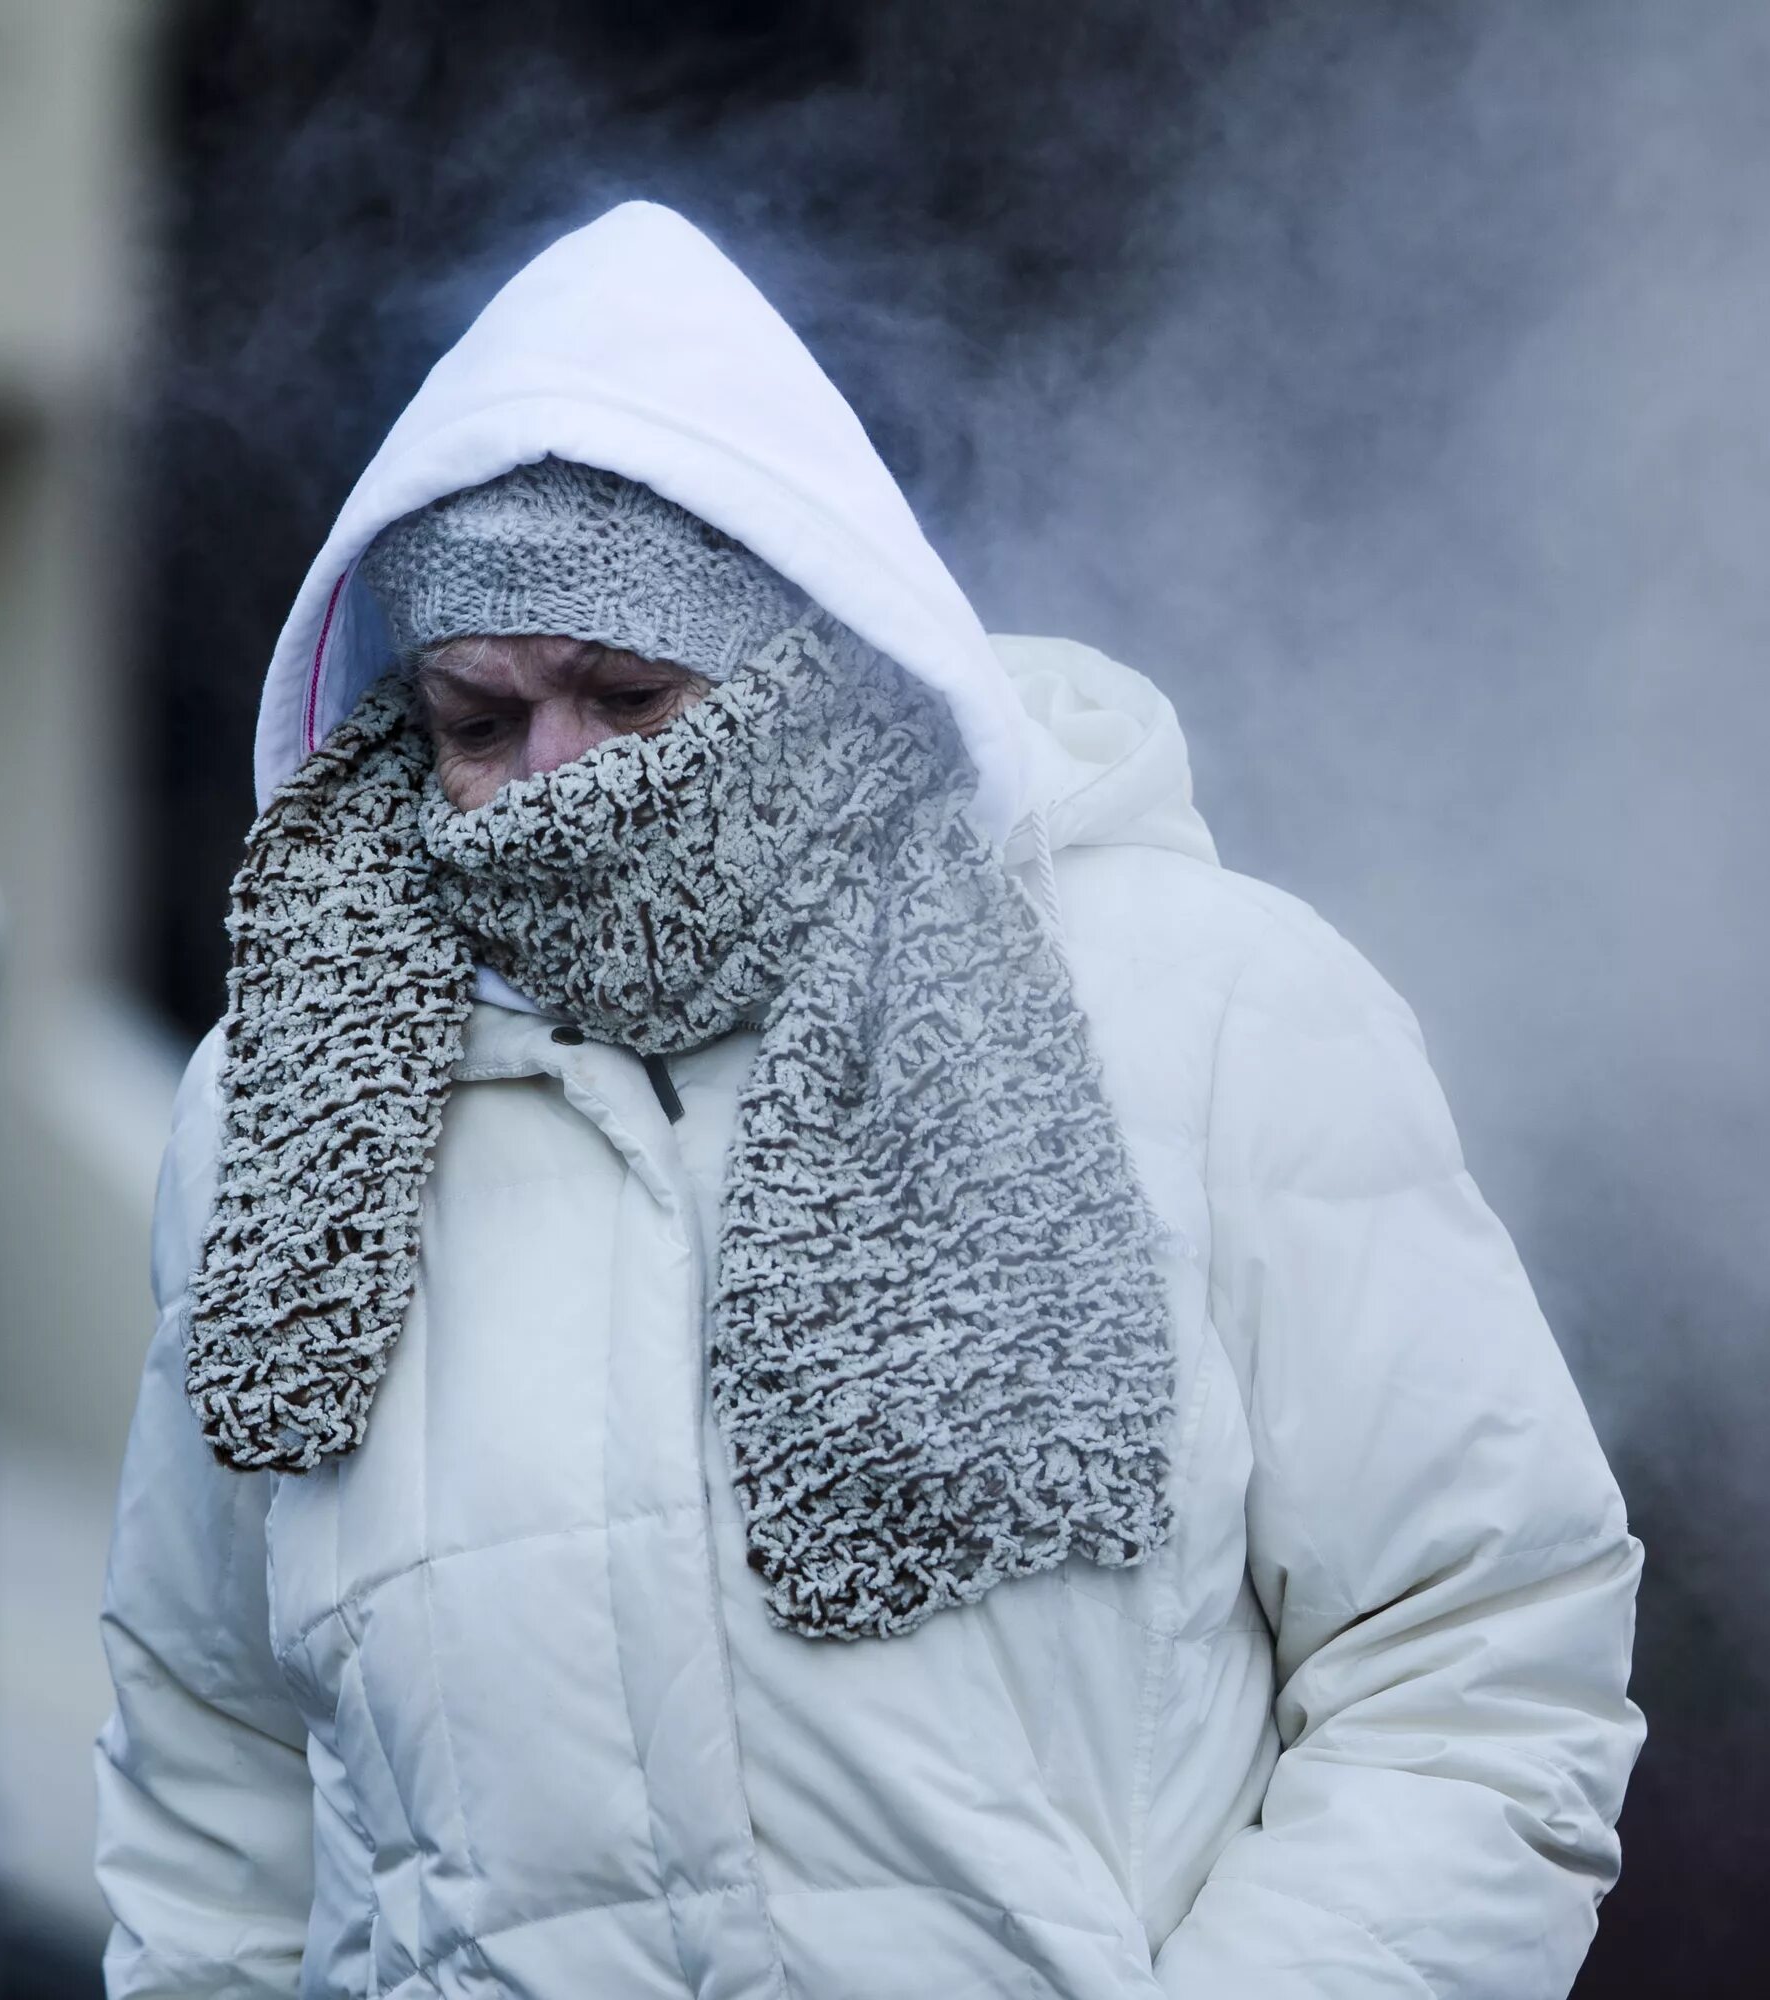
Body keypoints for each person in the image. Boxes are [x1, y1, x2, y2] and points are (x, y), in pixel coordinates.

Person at [94, 201, 1643, 2000]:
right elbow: (211, 1782)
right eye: (476, 715)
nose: (551, 781)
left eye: (626, 690)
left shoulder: (1208, 1017)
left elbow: (1474, 1665)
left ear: (803, 649)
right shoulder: (289, 1115)